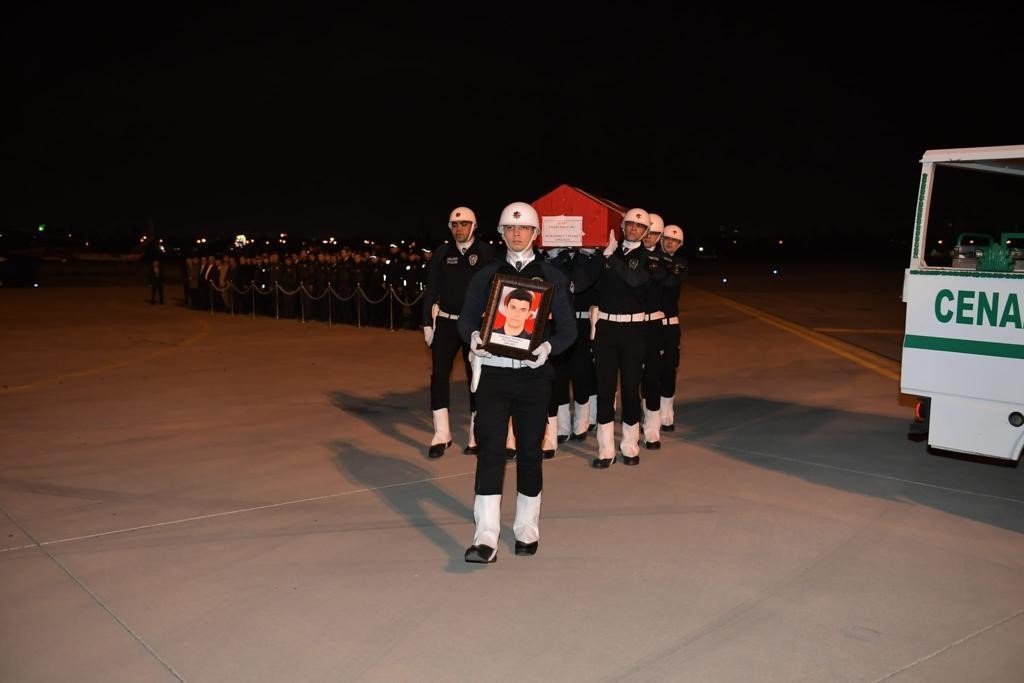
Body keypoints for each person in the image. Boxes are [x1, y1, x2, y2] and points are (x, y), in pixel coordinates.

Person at [458, 201, 576, 563]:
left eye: (523, 229)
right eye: (509, 228)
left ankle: (526, 528)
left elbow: (570, 329)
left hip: (533, 377)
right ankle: (486, 536)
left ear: (535, 234)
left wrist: (548, 347)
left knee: (529, 451)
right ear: (501, 232)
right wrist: (476, 340)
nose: (516, 234)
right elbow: (465, 321)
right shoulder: (487, 275)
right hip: (494, 373)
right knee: (490, 451)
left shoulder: (552, 276)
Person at [422, 206, 496, 458]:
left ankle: (476, 433)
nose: (459, 229)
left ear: (473, 226)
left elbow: (496, 289)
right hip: (445, 322)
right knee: (439, 375)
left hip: (474, 324)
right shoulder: (442, 253)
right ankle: (441, 433)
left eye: (464, 224)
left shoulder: (486, 253)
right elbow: (431, 289)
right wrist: (426, 324)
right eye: (455, 225)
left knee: (475, 376)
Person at [591, 208, 661, 468]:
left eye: (639, 226)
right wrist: (592, 256)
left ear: (646, 232)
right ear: (622, 226)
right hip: (607, 327)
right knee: (605, 388)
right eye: (629, 224)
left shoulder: (650, 259)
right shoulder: (608, 252)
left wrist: (610, 258)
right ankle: (605, 449)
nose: (633, 229)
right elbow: (590, 283)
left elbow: (634, 280)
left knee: (631, 388)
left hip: (634, 331)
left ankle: (630, 445)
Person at [656, 224, 688, 431]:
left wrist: (659, 266)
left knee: (669, 368)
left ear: (680, 244)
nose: (670, 243)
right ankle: (650, 411)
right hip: (651, 322)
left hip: (670, 324)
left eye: (675, 241)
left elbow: (669, 283)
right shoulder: (651, 259)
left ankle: (667, 413)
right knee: (648, 370)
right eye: (667, 238)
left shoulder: (680, 263)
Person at [640, 213, 666, 449]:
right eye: (647, 232)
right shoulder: (632, 256)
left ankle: (652, 428)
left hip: (654, 323)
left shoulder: (663, 261)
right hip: (633, 323)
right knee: (632, 374)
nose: (649, 237)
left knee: (652, 376)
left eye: (654, 234)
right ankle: (637, 416)